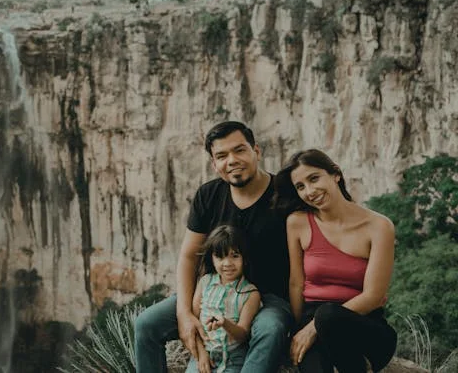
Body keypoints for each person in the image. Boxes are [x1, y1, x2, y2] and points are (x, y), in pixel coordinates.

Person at [135, 121, 292, 373]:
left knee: (270, 328)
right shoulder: (208, 195)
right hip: (214, 291)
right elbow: (188, 257)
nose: (232, 160)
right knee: (146, 324)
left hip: (268, 298)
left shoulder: (284, 197)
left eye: (240, 150)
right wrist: (185, 314)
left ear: (257, 151)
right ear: (214, 164)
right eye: (221, 155)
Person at [273, 149, 397, 372]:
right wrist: (298, 329)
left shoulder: (379, 227)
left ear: (335, 175)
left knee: (328, 315)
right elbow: (296, 282)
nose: (310, 191)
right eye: (300, 187)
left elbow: (374, 296)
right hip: (312, 316)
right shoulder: (297, 223)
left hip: (362, 324)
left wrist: (314, 328)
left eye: (314, 178)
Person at [185, 225, 261, 373]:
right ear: (212, 258)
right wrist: (201, 355)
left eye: (235, 255)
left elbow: (243, 335)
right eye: (220, 257)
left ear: (244, 258)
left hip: (233, 358)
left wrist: (225, 323)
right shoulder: (205, 282)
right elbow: (193, 323)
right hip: (204, 354)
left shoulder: (250, 293)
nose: (227, 263)